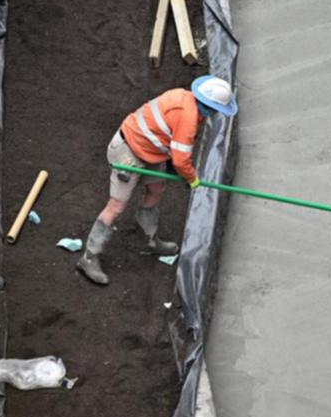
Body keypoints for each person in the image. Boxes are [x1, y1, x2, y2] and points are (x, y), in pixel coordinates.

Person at [77, 75, 238, 285]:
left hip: (149, 149)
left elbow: (168, 134)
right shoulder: (188, 118)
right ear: (208, 105)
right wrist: (192, 180)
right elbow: (181, 160)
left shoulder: (183, 96)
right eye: (216, 109)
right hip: (128, 152)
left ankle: (147, 240)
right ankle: (89, 257)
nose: (217, 114)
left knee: (156, 188)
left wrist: (172, 163)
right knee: (116, 206)